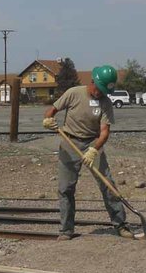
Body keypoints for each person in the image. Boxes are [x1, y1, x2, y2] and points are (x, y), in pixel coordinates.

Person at [42, 65, 134, 240]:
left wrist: (94, 149)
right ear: (92, 82)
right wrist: (48, 120)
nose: (100, 93)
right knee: (65, 188)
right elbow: (51, 111)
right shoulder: (73, 93)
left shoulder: (106, 102)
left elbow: (105, 131)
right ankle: (66, 230)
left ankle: (121, 224)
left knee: (108, 184)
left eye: (104, 91)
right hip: (70, 142)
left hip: (93, 143)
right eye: (99, 89)